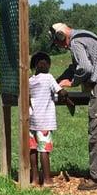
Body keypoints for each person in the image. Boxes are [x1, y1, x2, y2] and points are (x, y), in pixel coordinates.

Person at [49, 23, 97, 191]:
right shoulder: (84, 35)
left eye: (58, 42)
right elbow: (75, 67)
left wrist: (73, 82)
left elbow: (85, 68)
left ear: (61, 36)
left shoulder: (75, 42)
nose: (61, 46)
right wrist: (57, 81)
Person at [29, 51, 68, 187]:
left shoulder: (30, 80)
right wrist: (65, 92)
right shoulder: (49, 77)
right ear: (46, 65)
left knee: (33, 150)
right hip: (44, 121)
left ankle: (34, 179)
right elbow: (60, 92)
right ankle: (47, 180)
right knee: (44, 150)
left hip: (32, 121)